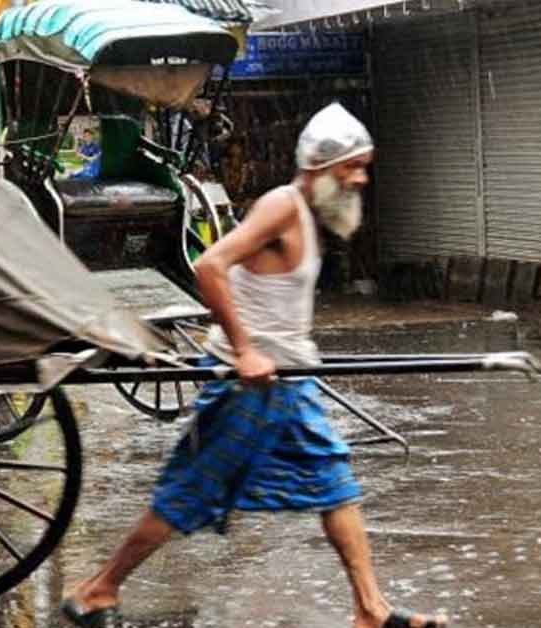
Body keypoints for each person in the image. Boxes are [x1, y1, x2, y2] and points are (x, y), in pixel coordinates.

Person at [61, 104, 446, 628]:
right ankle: (96, 590)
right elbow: (211, 265)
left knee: (335, 484)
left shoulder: (307, 216)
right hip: (249, 388)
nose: (360, 178)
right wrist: (245, 349)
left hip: (289, 382)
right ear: (317, 167)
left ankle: (370, 608)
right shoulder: (282, 207)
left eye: (363, 166)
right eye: (351, 167)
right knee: (188, 494)